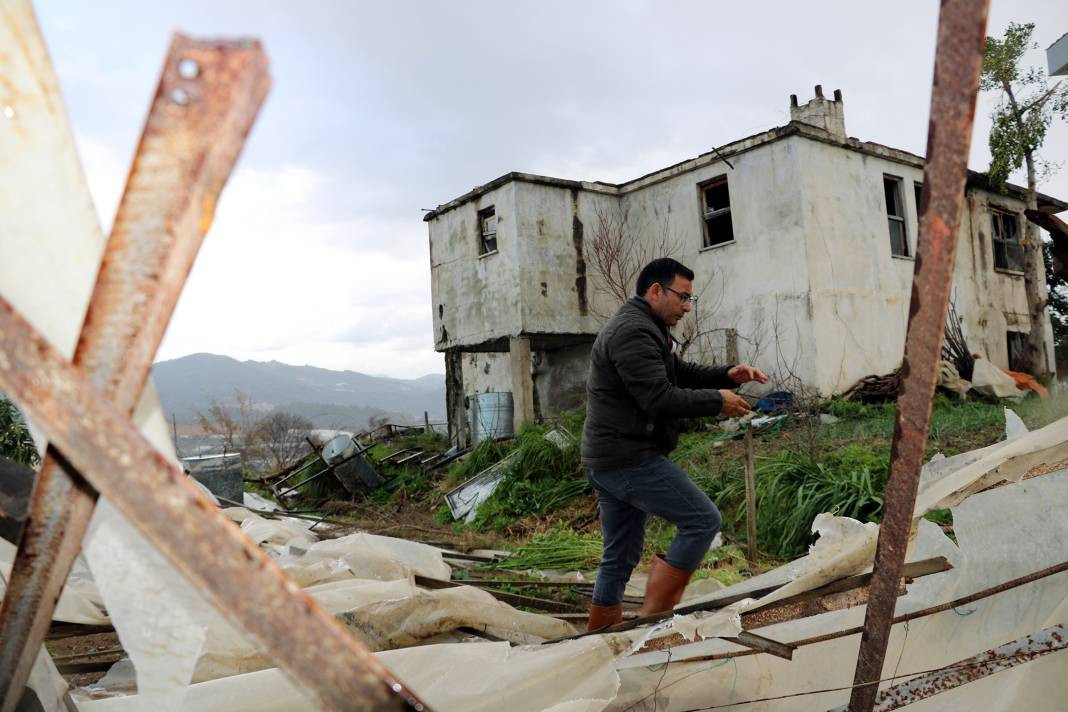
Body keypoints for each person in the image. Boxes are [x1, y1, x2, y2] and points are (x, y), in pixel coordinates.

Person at [581, 257, 767, 631]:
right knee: (702, 520)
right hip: (627, 458)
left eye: (689, 299)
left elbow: (678, 372)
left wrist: (726, 375)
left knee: (619, 555)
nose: (686, 306)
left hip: (609, 458)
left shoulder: (646, 327)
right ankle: (655, 623)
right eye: (683, 297)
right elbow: (659, 396)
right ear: (655, 290)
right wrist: (718, 401)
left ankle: (600, 638)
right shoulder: (633, 332)